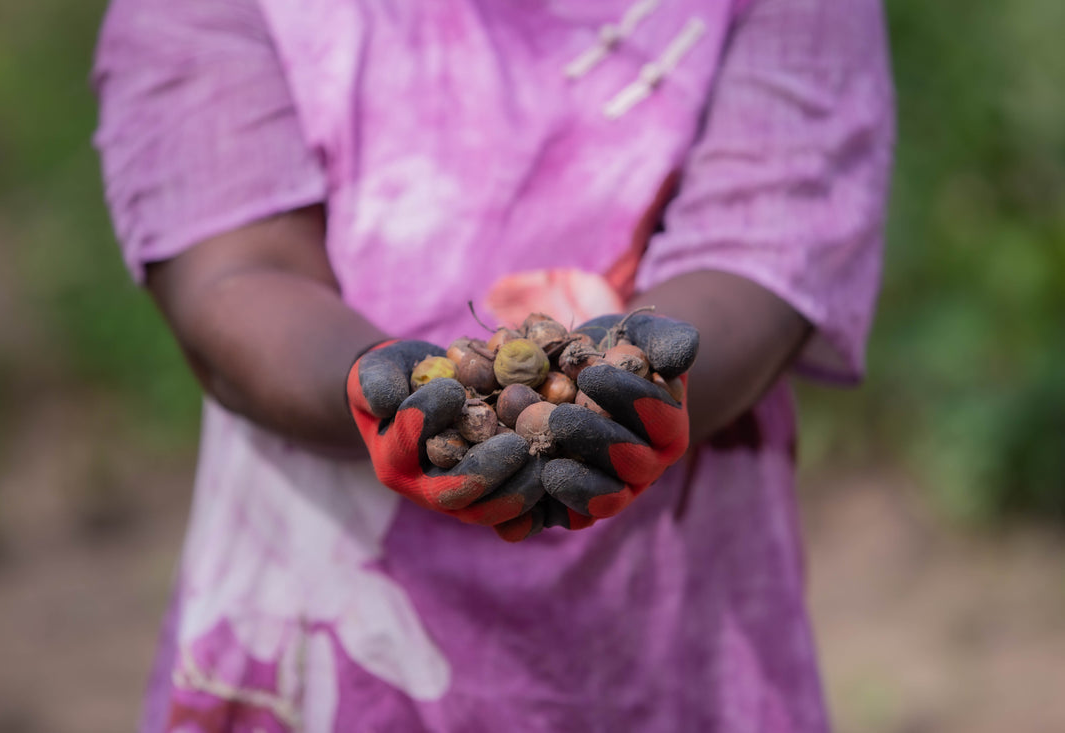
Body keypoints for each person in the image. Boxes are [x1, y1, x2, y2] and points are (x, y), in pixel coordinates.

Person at [92, 0, 894, 729]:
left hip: (667, 638)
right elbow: (236, 275)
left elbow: (756, 258)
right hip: (326, 662)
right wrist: (381, 390)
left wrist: (640, 379)